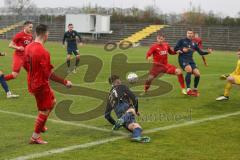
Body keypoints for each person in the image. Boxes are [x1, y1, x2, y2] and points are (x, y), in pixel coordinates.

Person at [25, 24, 72, 144]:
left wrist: (32, 75)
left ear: (36, 33)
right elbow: (49, 75)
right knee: (44, 110)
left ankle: (40, 126)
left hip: (32, 82)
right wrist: (65, 82)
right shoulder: (43, 52)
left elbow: (26, 64)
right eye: (48, 34)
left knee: (52, 102)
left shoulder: (28, 47)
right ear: (45, 35)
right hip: (40, 84)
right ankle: (35, 137)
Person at [105, 75, 150, 143]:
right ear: (117, 81)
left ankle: (136, 137)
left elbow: (107, 115)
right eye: (119, 80)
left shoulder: (109, 95)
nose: (120, 81)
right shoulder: (122, 86)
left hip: (119, 113)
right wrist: (136, 110)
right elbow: (135, 98)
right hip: (124, 107)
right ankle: (122, 120)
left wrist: (115, 124)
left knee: (136, 126)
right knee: (131, 110)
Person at [174, 28, 212, 97]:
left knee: (197, 74)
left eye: (191, 33)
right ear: (186, 34)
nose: (190, 34)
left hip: (190, 60)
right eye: (188, 33)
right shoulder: (181, 41)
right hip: (182, 59)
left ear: (193, 34)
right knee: (189, 70)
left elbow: (200, 52)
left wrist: (208, 52)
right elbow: (175, 48)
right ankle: (188, 89)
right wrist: (182, 49)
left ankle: (195, 89)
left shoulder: (194, 43)